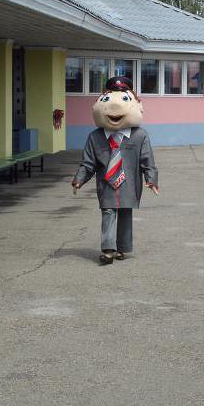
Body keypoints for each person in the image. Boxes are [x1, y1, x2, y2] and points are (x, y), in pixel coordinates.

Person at [72, 76, 159, 265]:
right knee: (108, 212)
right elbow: (88, 163)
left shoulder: (140, 136)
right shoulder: (95, 137)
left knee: (125, 213)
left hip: (129, 183)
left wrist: (151, 179)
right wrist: (79, 179)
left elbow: (147, 160)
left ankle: (123, 247)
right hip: (106, 183)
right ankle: (108, 249)